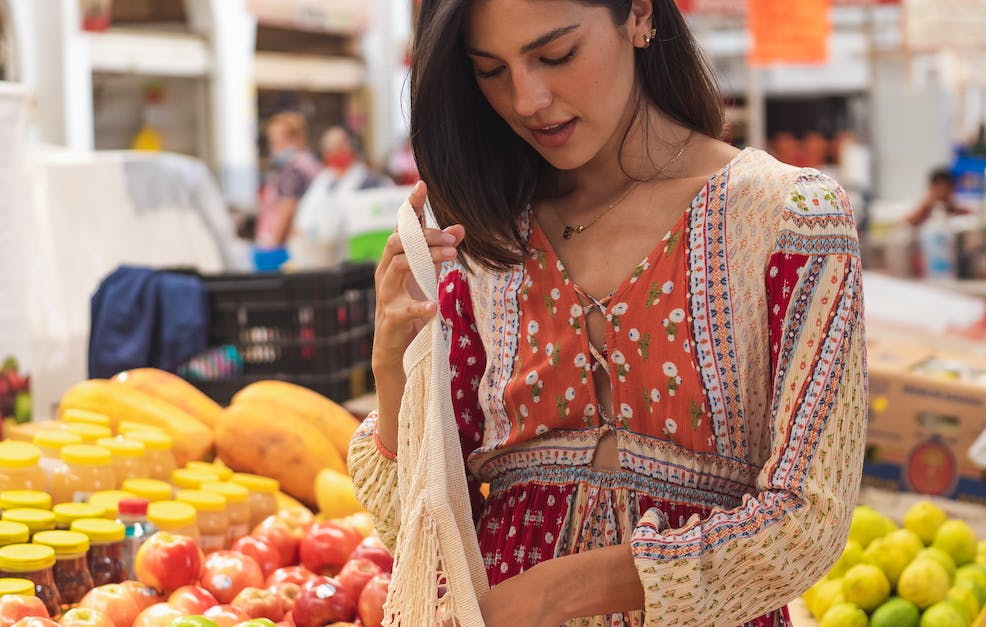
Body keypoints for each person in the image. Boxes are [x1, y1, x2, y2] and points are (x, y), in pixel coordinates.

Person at [349, 1, 867, 625]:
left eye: (556, 55)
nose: (528, 99)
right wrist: (393, 371)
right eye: (490, 70)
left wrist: (557, 594)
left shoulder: (790, 220)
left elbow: (809, 519)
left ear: (640, 15)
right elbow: (418, 529)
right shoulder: (478, 238)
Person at [290, 126, 392, 268]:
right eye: (329, 149)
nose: (335, 153)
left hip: (358, 263)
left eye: (339, 146)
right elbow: (301, 221)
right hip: (319, 260)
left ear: (351, 147)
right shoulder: (321, 181)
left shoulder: (373, 182)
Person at [254, 112, 320, 271]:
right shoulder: (310, 164)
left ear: (297, 138)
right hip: (306, 247)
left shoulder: (293, 170)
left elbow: (286, 210)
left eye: (277, 142)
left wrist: (269, 250)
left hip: (287, 251)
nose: (274, 148)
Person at [905, 167, 972, 227]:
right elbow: (905, 223)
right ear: (931, 188)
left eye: (945, 188)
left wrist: (952, 209)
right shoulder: (922, 209)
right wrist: (924, 209)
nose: (941, 192)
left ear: (952, 189)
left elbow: (971, 218)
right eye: (938, 187)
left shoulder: (957, 209)